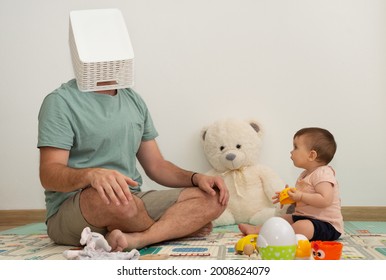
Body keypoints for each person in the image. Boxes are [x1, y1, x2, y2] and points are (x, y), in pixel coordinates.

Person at [238, 127, 343, 241]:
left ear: (311, 155)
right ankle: (257, 230)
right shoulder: (304, 175)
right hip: (305, 217)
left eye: (295, 147)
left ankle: (280, 236)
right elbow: (306, 201)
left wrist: (301, 196)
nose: (291, 151)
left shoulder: (323, 173)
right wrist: (290, 198)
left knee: (301, 227)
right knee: (282, 219)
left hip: (326, 225)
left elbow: (325, 200)